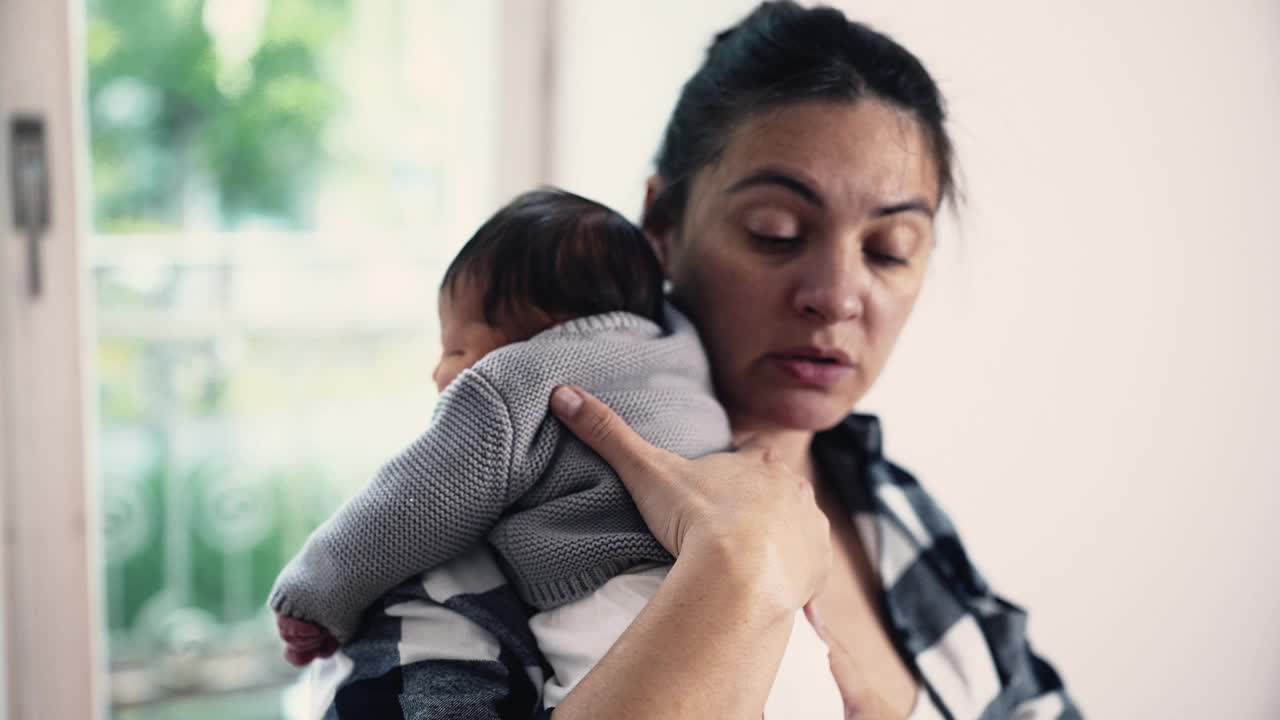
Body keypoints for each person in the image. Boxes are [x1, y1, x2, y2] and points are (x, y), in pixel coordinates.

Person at [300, 2, 1081, 718]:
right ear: (661, 227)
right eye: (776, 230)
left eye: (890, 249)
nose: (837, 296)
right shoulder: (458, 575)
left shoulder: (895, 512)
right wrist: (736, 576)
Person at [269, 188, 731, 704]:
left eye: (456, 348)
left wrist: (313, 592)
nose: (440, 372)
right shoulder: (683, 353)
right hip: (741, 602)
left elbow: (410, 502)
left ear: (542, 329)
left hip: (616, 603)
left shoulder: (516, 380)